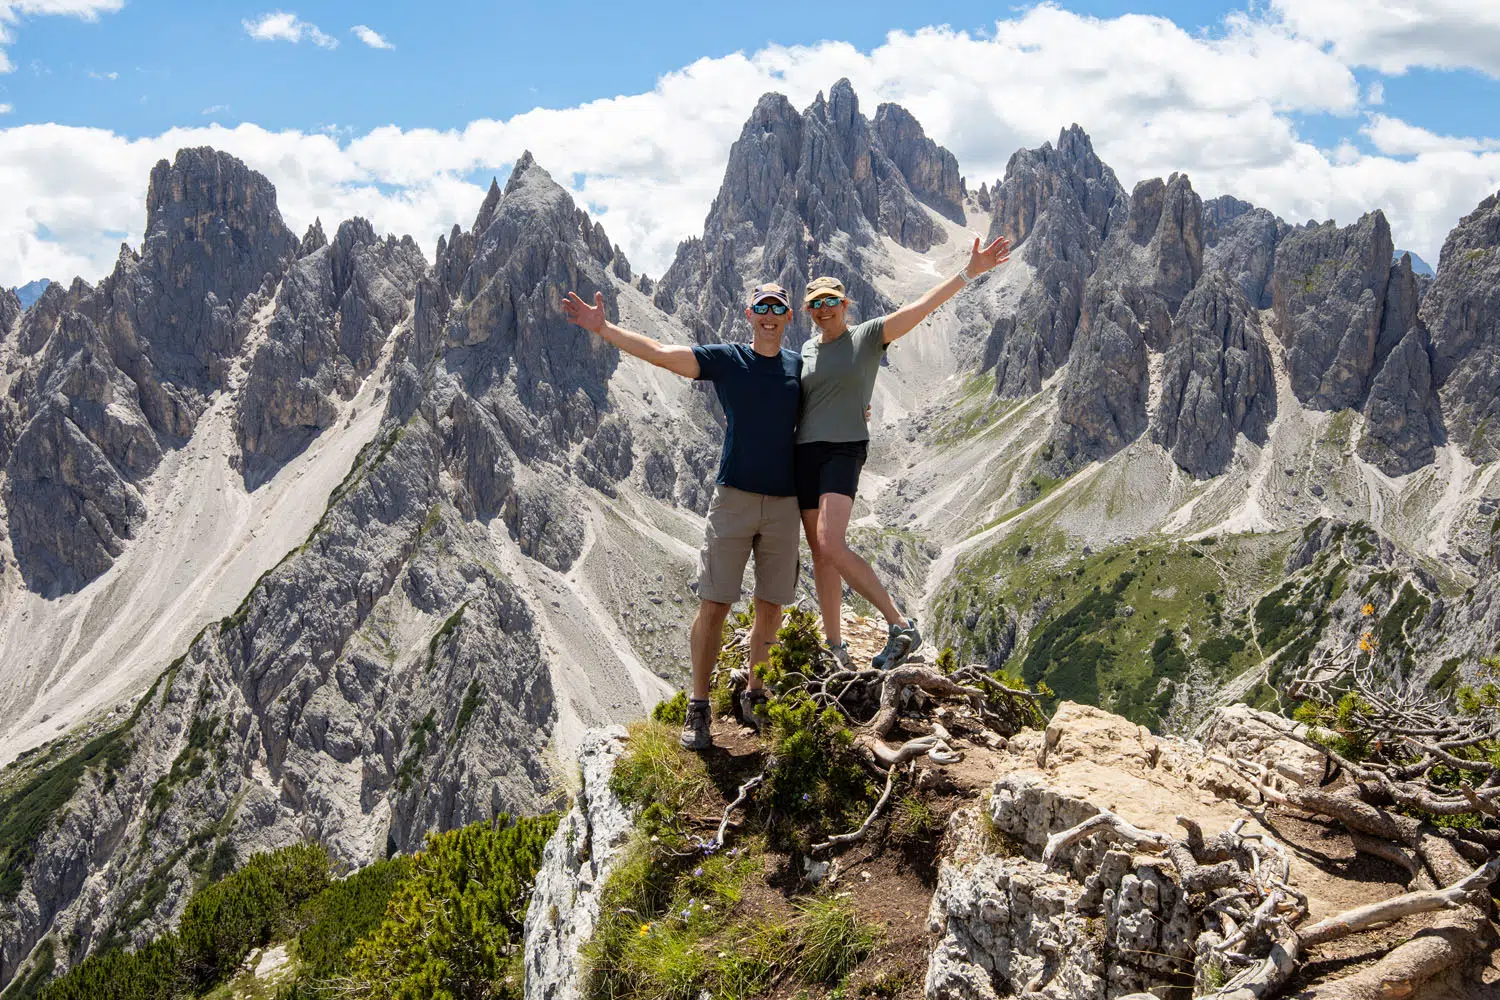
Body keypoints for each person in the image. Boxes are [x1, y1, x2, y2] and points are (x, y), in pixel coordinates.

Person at [561, 283, 801, 750]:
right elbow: (662, 354)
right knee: (714, 603)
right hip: (732, 498)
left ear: (789, 317)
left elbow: (829, 401)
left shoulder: (798, 367)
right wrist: (604, 327)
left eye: (778, 308)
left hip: (785, 503)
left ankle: (757, 692)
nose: (769, 315)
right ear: (749, 312)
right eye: (762, 308)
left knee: (770, 605)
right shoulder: (729, 359)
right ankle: (699, 705)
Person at [797, 236, 1011, 669]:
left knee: (831, 545)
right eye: (816, 303)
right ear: (808, 310)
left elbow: (920, 310)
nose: (823, 309)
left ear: (845, 303)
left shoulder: (869, 335)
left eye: (831, 301)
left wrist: (969, 272)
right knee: (819, 553)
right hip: (804, 454)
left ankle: (899, 625)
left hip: (843, 449)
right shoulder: (804, 349)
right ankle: (836, 645)